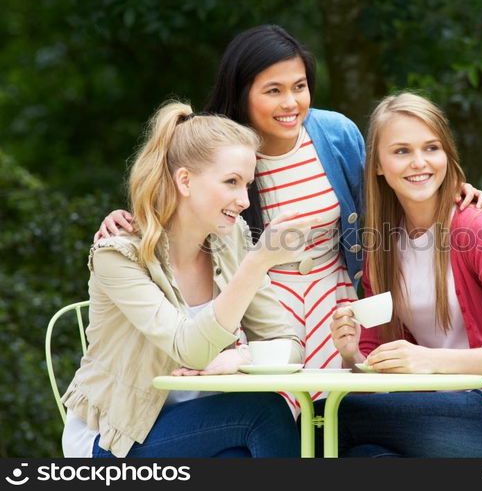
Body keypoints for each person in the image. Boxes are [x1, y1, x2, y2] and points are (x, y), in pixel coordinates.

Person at [93, 26, 482, 410]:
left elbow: (389, 189)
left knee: (344, 418)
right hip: (262, 309)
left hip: (335, 298)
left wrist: (451, 190)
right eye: (273, 90)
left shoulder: (335, 133)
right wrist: (131, 218)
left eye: (299, 87)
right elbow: (179, 198)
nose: (291, 103)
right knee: (277, 418)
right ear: (242, 93)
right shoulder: (222, 148)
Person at [62, 101, 319, 458]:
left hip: (204, 429)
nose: (244, 200)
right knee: (265, 410)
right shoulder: (118, 256)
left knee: (240, 457)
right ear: (184, 180)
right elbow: (191, 350)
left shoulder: (231, 241)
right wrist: (257, 263)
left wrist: (242, 358)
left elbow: (288, 340)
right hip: (115, 438)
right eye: (231, 182)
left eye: (247, 184)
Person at [330, 92, 482, 457]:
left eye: (431, 148)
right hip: (443, 417)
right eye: (401, 151)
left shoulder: (476, 229)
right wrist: (353, 356)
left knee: (334, 418)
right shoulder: (383, 248)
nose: (419, 162)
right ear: (377, 164)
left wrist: (429, 361)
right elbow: (373, 367)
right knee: (363, 456)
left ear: (447, 155)